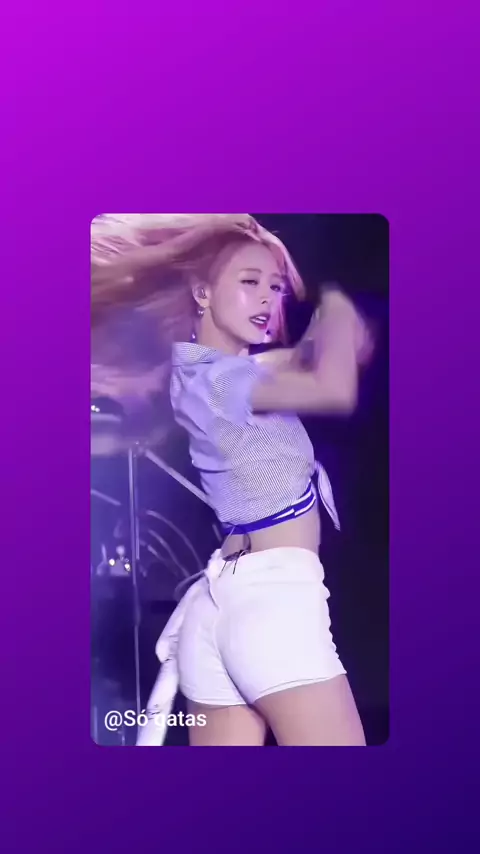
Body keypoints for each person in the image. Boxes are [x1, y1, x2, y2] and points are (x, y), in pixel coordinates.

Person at [91, 213, 373, 746]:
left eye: (275, 287)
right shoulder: (224, 383)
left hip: (220, 610)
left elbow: (299, 361)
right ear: (201, 292)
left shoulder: (199, 372)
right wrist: (337, 301)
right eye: (249, 282)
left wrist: (325, 338)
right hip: (273, 605)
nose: (267, 298)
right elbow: (335, 387)